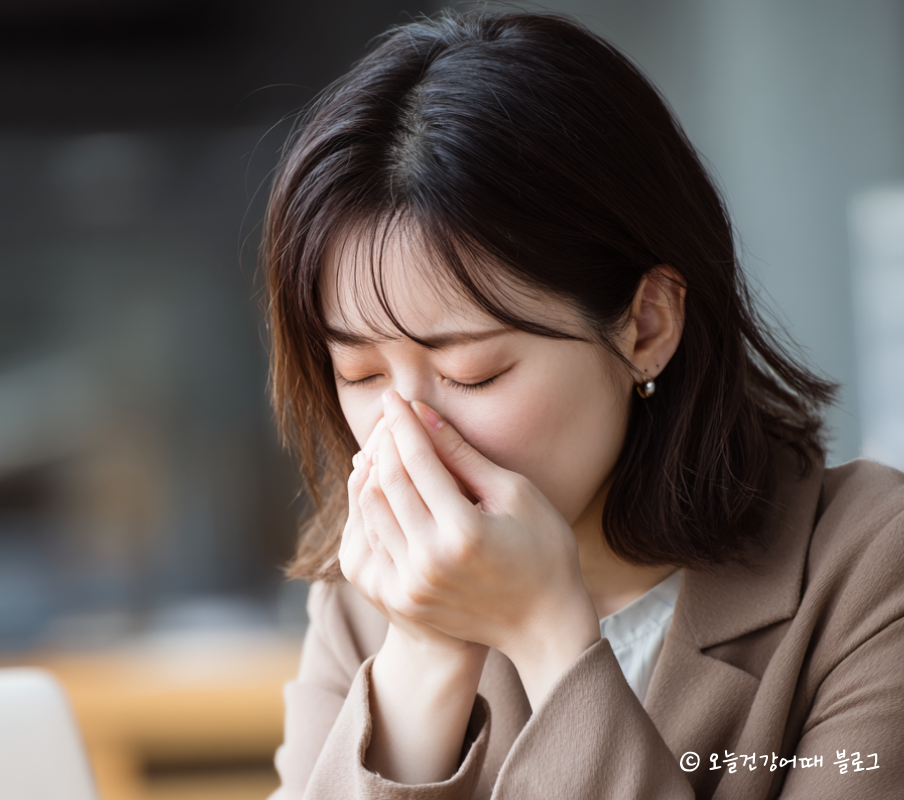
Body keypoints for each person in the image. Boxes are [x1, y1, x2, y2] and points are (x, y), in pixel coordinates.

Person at [260, 10, 904, 799]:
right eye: (359, 375)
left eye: (472, 374)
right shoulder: (365, 598)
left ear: (646, 326)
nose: (404, 434)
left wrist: (547, 635)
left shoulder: (871, 567)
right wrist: (425, 653)